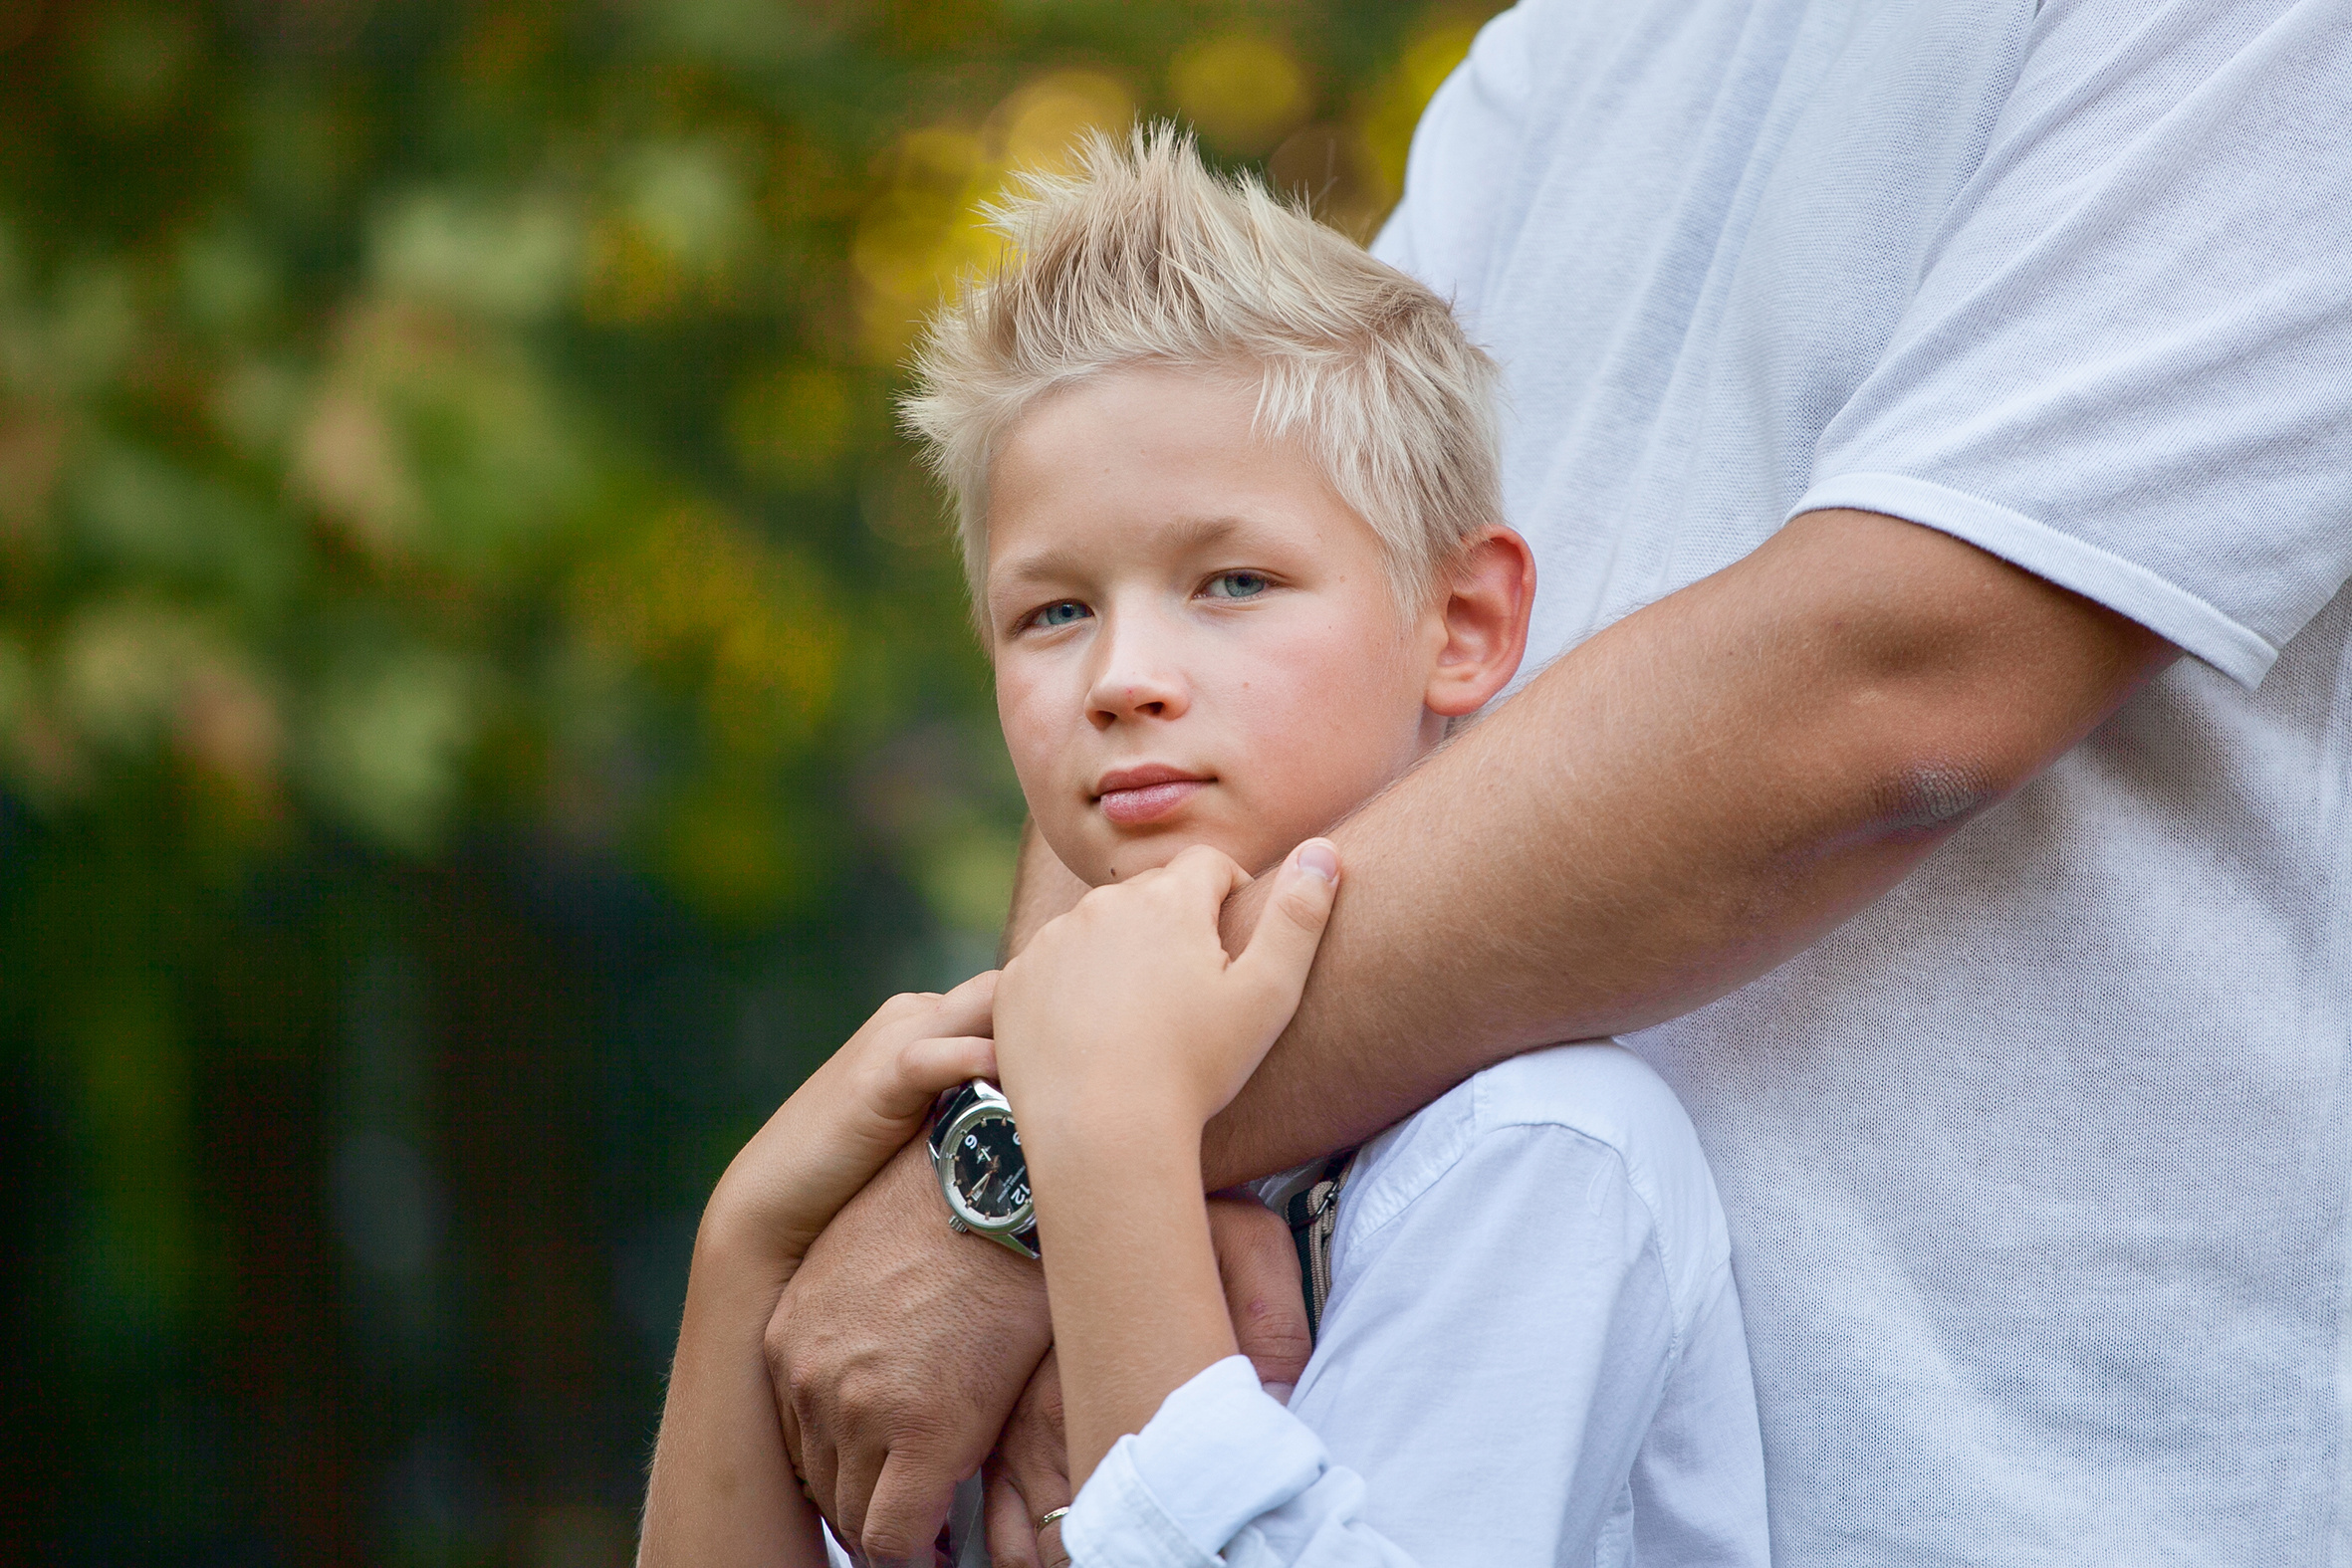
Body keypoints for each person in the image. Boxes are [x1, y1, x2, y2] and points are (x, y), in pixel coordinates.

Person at [770, 0, 2352, 1564]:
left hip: (2034, 1495)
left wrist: (1062, 1161)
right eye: (1047, 621)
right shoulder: (1545, 58)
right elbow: (1187, 674)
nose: (1123, 674)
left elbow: (1903, 675)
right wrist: (1045, 1186)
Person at [647, 131, 1770, 1568]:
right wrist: (740, 1254)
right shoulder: (958, 1152)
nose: (1122, 675)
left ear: (1464, 622)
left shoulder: (1536, 1154)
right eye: (1051, 613)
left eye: (1231, 583)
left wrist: (1105, 1148)